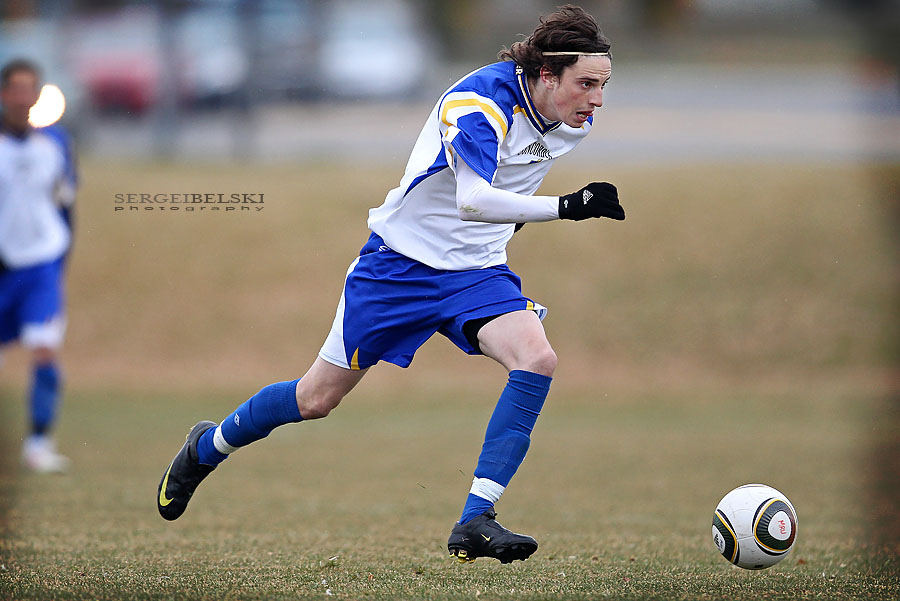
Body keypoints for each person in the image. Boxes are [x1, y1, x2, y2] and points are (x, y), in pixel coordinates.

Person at [157, 4, 623, 563]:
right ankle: (206, 447)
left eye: (603, 85)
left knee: (537, 359)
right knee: (315, 398)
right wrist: (570, 207)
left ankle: (475, 519)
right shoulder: (479, 105)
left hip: (476, 272)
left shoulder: (571, 120)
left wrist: (512, 234)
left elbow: (506, 194)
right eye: (587, 84)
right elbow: (472, 199)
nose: (597, 100)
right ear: (546, 75)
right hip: (397, 270)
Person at [0, 59, 77, 473]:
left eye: (30, 89)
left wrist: (62, 258)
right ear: (3, 94)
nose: (22, 97)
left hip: (41, 266)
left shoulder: (55, 146)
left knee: (45, 348)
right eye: (14, 88)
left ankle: (39, 443)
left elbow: (66, 205)